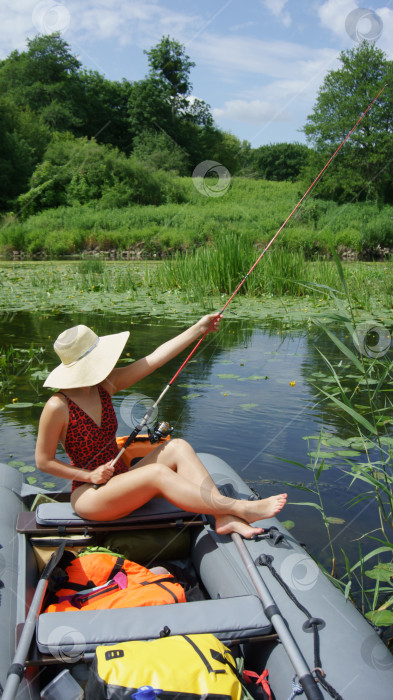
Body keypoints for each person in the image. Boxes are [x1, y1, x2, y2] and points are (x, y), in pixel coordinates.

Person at [36, 316, 287, 538]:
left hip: (121, 479)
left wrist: (198, 329)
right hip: (89, 494)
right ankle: (236, 508)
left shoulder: (105, 386)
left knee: (177, 446)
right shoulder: (58, 406)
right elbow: (43, 462)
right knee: (157, 474)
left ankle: (222, 516)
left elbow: (154, 359)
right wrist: (88, 475)